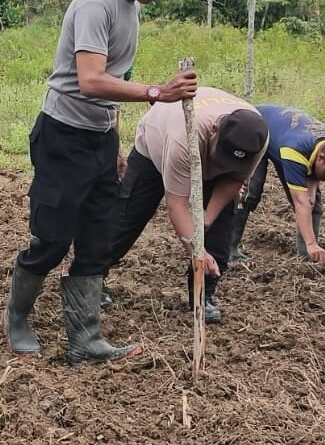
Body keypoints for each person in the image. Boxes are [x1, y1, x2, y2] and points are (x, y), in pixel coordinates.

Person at [2, 0, 198, 365]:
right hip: (62, 136)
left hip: (99, 137)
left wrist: (113, 141)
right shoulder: (95, 3)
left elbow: (115, 84)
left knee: (97, 237)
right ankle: (17, 316)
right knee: (52, 238)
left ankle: (85, 339)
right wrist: (157, 93)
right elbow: (90, 81)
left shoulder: (132, 10)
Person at [102, 88, 269, 324]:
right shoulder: (184, 137)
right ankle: (93, 276)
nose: (222, 167)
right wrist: (195, 249)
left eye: (230, 162)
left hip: (203, 147)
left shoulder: (257, 139)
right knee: (128, 215)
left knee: (221, 228)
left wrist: (206, 221)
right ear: (214, 132)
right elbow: (177, 204)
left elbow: (233, 180)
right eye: (221, 158)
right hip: (156, 144)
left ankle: (203, 294)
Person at [227, 105, 325, 265]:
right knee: (250, 193)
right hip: (256, 131)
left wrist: (312, 188)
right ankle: (229, 250)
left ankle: (308, 258)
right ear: (321, 158)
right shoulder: (295, 149)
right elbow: (300, 201)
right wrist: (312, 243)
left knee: (313, 202)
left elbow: (314, 175)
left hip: (283, 136)